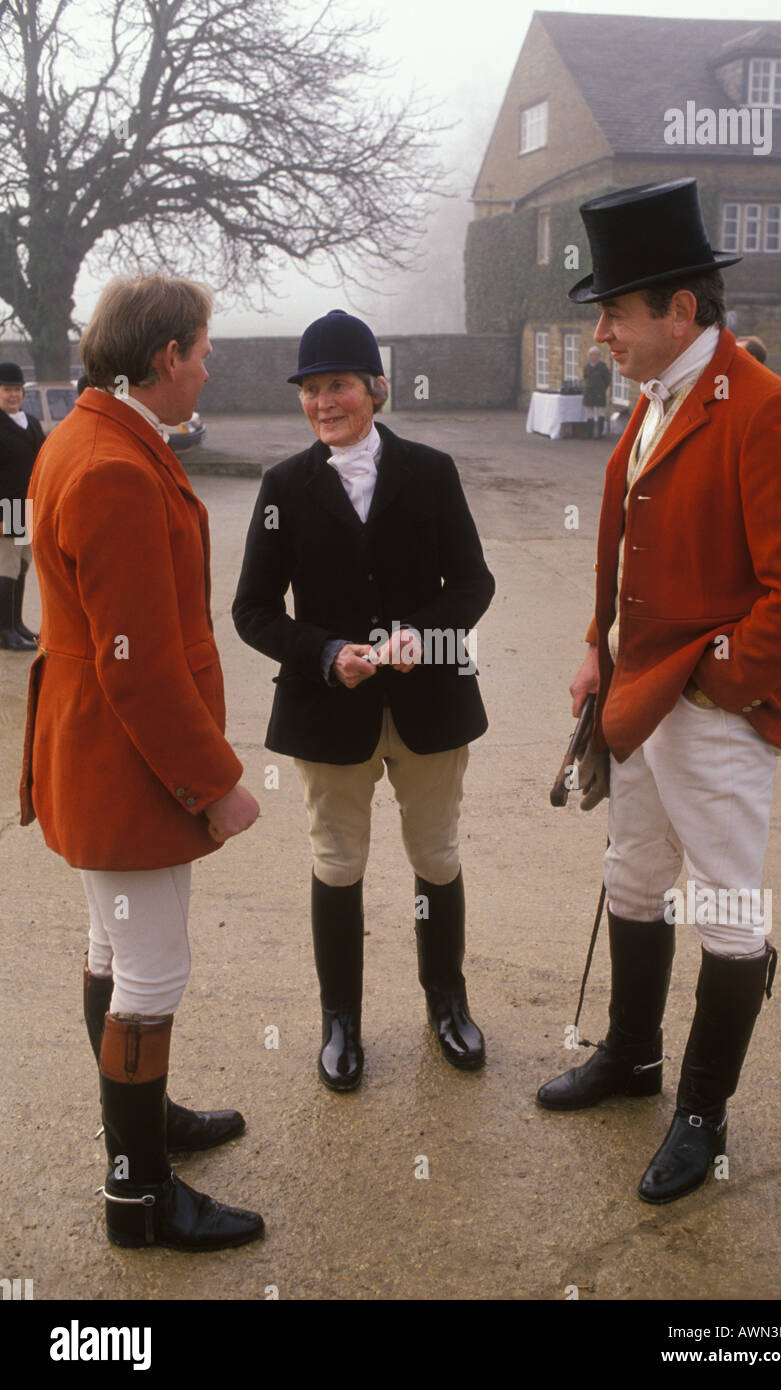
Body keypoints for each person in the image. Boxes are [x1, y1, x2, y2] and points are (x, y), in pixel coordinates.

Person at [536, 179, 781, 1203]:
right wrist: (598, 644)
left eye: (616, 313)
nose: (602, 335)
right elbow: (629, 556)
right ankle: (632, 1058)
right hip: (637, 695)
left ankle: (704, 1118)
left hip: (710, 713)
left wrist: (715, 684)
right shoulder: (659, 400)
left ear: (681, 309)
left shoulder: (771, 413)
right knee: (632, 877)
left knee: (726, 909)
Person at [20, 274, 264, 1250]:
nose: (207, 368)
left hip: (96, 751)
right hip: (128, 762)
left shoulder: (84, 433)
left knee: (114, 954)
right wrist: (214, 783)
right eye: (202, 351)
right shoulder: (112, 465)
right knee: (152, 974)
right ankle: (138, 1192)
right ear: (165, 357)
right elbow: (142, 667)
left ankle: (143, 1128)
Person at [233, 309, 495, 1091]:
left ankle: (446, 1003)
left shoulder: (433, 469)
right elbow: (251, 610)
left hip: (430, 704)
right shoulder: (283, 486)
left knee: (437, 857)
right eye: (311, 390)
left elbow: (474, 581)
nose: (323, 402)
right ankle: (340, 1021)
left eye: (338, 384)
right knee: (338, 865)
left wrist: (425, 636)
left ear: (375, 388)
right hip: (329, 711)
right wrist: (320, 653)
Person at [0, 361, 44, 650]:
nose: (13, 395)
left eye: (17, 389)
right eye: (7, 390)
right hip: (6, 507)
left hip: (27, 507)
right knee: (6, 567)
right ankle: (4, 631)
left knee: (23, 566)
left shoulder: (31, 421)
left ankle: (17, 623)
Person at [582, 346, 611, 439]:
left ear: (598, 356)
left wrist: (602, 388)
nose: (593, 357)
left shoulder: (602, 367)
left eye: (595, 355)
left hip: (599, 392)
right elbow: (585, 378)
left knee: (600, 412)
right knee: (588, 413)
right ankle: (589, 433)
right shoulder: (587, 366)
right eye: (591, 355)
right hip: (588, 392)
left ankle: (599, 434)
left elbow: (607, 379)